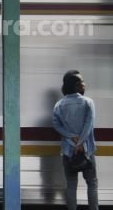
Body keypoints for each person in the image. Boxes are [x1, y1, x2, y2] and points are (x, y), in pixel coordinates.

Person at [52, 70, 98, 210]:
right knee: (92, 183)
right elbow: (89, 124)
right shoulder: (88, 102)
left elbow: (56, 125)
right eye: (82, 81)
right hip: (86, 151)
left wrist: (72, 139)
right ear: (77, 85)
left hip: (68, 151)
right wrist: (80, 143)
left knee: (71, 184)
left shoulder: (59, 105)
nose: (84, 84)